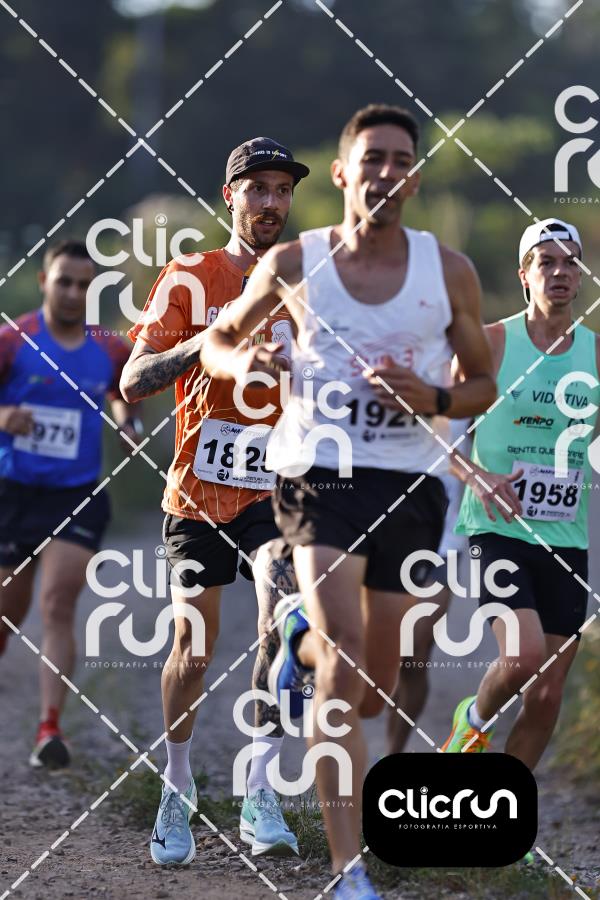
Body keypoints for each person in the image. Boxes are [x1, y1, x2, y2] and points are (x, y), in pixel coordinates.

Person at [200, 104, 496, 899]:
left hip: (409, 484)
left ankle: (295, 639)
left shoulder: (449, 272)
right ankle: (348, 869)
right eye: (372, 159)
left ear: (414, 178)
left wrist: (434, 396)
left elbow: (482, 385)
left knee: (369, 689)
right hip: (318, 476)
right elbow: (221, 340)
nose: (385, 173)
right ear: (342, 173)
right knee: (343, 669)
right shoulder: (296, 262)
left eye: (400, 160)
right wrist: (246, 362)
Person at [120, 137, 309, 866]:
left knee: (281, 626)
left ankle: (261, 791)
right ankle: (178, 786)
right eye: (256, 188)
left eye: (281, 190)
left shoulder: (307, 281)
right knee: (192, 651)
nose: (270, 202)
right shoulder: (190, 277)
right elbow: (135, 378)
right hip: (197, 493)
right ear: (230, 195)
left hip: (276, 491)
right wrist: (205, 344)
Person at [441, 218, 598, 772]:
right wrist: (476, 476)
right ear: (524, 275)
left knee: (548, 694)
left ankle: (505, 803)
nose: (560, 272)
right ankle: (472, 722)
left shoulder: (594, 353)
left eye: (570, 262)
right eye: (546, 262)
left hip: (565, 535)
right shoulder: (491, 342)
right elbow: (434, 428)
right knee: (524, 656)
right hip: (496, 528)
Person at [0, 238, 141, 768]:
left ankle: (49, 729)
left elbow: (125, 391)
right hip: (14, 493)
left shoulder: (108, 347)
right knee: (8, 614)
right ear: (45, 282)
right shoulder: (13, 340)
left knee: (58, 604)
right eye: (64, 282)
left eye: (84, 285)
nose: (74, 293)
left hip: (76, 494)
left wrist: (128, 424)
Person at [386, 417, 470, 754]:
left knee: (415, 652)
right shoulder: (392, 386)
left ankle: (392, 752)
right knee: (382, 651)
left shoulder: (471, 392)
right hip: (387, 533)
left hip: (443, 543)